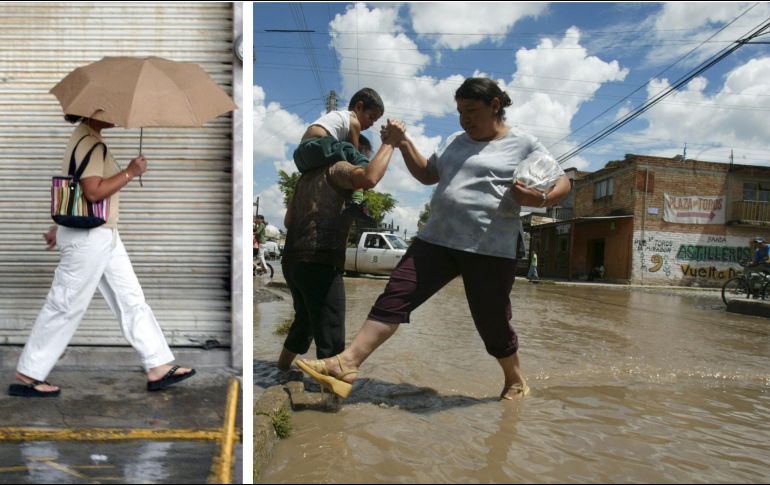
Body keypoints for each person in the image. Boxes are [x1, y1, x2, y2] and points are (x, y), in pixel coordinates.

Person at [296, 77, 572, 401]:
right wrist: (402, 143)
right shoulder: (456, 140)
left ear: (494, 106)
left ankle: (515, 379)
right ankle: (347, 364)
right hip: (437, 239)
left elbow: (562, 182)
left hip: (489, 248)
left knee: (492, 321)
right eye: (459, 111)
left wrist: (539, 200)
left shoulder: (524, 144)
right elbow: (428, 173)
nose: (464, 118)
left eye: (471, 110)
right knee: (395, 294)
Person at [8, 115, 195, 398]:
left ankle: (157, 365)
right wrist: (131, 172)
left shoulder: (86, 139)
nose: (116, 116)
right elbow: (93, 192)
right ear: (95, 112)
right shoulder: (90, 144)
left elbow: (75, 191)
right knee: (65, 304)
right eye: (109, 111)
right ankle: (29, 374)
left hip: (103, 235)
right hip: (90, 239)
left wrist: (60, 228)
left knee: (130, 298)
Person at [276, 123, 402, 370]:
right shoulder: (339, 168)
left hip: (292, 261)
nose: (362, 163)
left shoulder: (305, 178)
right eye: (362, 158)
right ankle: (331, 404)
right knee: (332, 335)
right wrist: (390, 143)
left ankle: (280, 370)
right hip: (319, 260)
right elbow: (369, 177)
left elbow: (288, 221)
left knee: (305, 322)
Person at [292, 87, 384, 226]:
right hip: (319, 145)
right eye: (371, 117)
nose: (371, 124)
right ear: (359, 107)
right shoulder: (353, 121)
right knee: (360, 161)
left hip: (301, 155)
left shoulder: (338, 118)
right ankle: (357, 202)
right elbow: (353, 154)